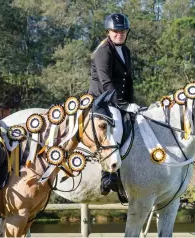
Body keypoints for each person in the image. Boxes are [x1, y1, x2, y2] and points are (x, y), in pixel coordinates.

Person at [88, 13, 140, 196]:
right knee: (115, 123)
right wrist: (123, 105)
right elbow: (106, 83)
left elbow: (128, 81)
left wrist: (132, 105)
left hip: (118, 100)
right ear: (108, 32)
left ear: (127, 32)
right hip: (101, 100)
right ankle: (108, 175)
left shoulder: (125, 51)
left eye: (122, 31)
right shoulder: (104, 51)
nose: (119, 34)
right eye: (115, 31)